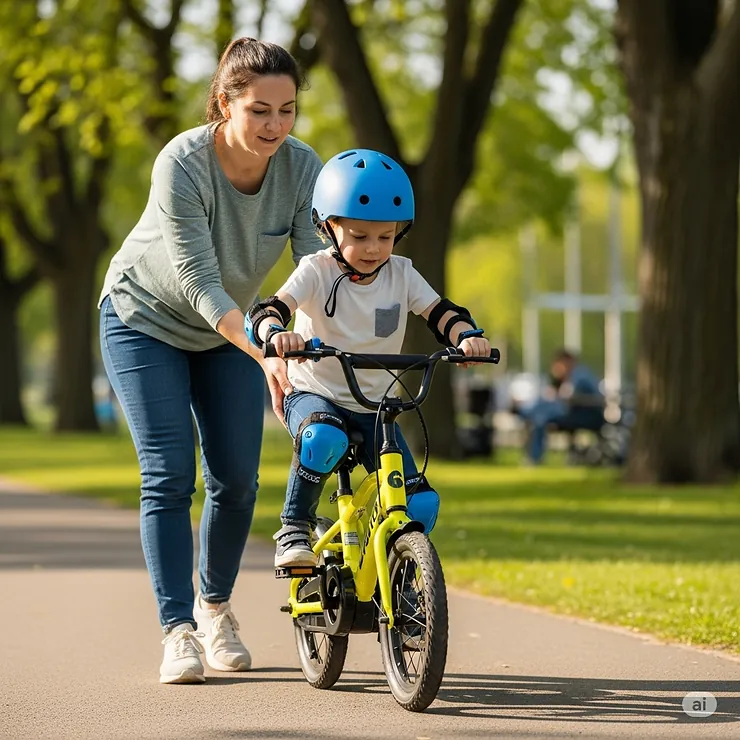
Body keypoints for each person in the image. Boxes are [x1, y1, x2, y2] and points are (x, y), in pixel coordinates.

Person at [98, 38, 325, 684]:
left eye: (287, 110)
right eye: (259, 110)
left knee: (237, 480)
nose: (275, 126)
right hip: (143, 321)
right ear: (224, 104)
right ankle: (177, 631)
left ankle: (215, 608)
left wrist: (298, 353)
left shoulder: (301, 167)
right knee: (168, 474)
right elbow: (200, 283)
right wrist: (264, 353)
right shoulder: (183, 163)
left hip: (229, 333)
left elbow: (313, 273)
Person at [244, 149, 492, 568]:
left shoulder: (402, 273)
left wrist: (466, 337)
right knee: (323, 439)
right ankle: (294, 526)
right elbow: (268, 311)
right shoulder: (316, 270)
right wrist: (276, 334)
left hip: (374, 405)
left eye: (385, 236)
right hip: (313, 394)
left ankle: (401, 575)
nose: (374, 248)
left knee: (422, 504)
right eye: (359, 236)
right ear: (329, 227)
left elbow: (440, 313)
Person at [515, 349, 604, 465]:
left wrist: (557, 394)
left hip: (586, 416)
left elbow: (569, 398)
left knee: (541, 417)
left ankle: (526, 413)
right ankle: (527, 412)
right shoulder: (575, 375)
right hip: (578, 413)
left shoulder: (579, 375)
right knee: (542, 413)